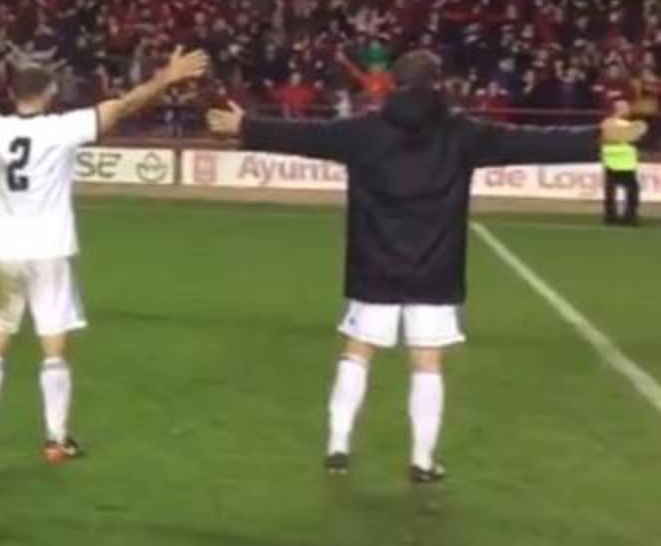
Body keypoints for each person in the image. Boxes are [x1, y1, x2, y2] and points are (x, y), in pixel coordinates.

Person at [207, 50, 647, 483]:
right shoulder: (460, 133)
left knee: (358, 351)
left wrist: (244, 124)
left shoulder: (363, 131)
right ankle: (422, 460)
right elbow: (528, 141)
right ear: (438, 84)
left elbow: (304, 137)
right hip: (435, 267)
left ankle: (337, 446)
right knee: (427, 362)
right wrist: (598, 135)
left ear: (393, 84)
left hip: (373, 263)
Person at [0, 44, 208, 463]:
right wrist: (166, 77)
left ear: (12, 94)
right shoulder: (64, 128)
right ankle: (56, 438)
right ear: (50, 92)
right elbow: (124, 105)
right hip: (50, 252)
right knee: (53, 347)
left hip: (6, 253)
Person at [602, 97, 642, 226]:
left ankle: (610, 216)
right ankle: (629, 217)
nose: (628, 109)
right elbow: (637, 139)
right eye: (625, 107)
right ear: (619, 109)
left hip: (611, 160)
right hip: (625, 162)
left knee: (610, 190)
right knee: (632, 191)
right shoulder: (628, 126)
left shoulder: (606, 123)